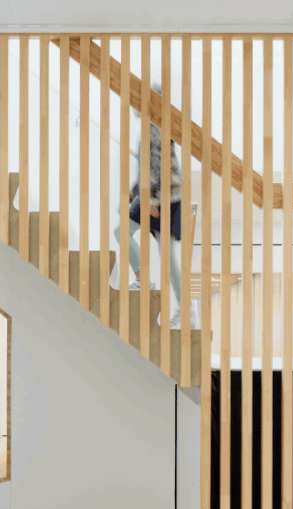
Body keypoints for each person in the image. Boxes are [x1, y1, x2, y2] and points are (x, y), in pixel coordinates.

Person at [111, 83, 196, 329]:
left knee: (163, 255)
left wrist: (149, 201)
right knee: (129, 236)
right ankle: (150, 284)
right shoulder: (152, 127)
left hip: (164, 198)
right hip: (159, 196)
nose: (133, 105)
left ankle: (184, 310)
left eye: (137, 100)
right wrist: (133, 196)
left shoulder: (156, 127)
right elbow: (147, 169)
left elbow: (160, 169)